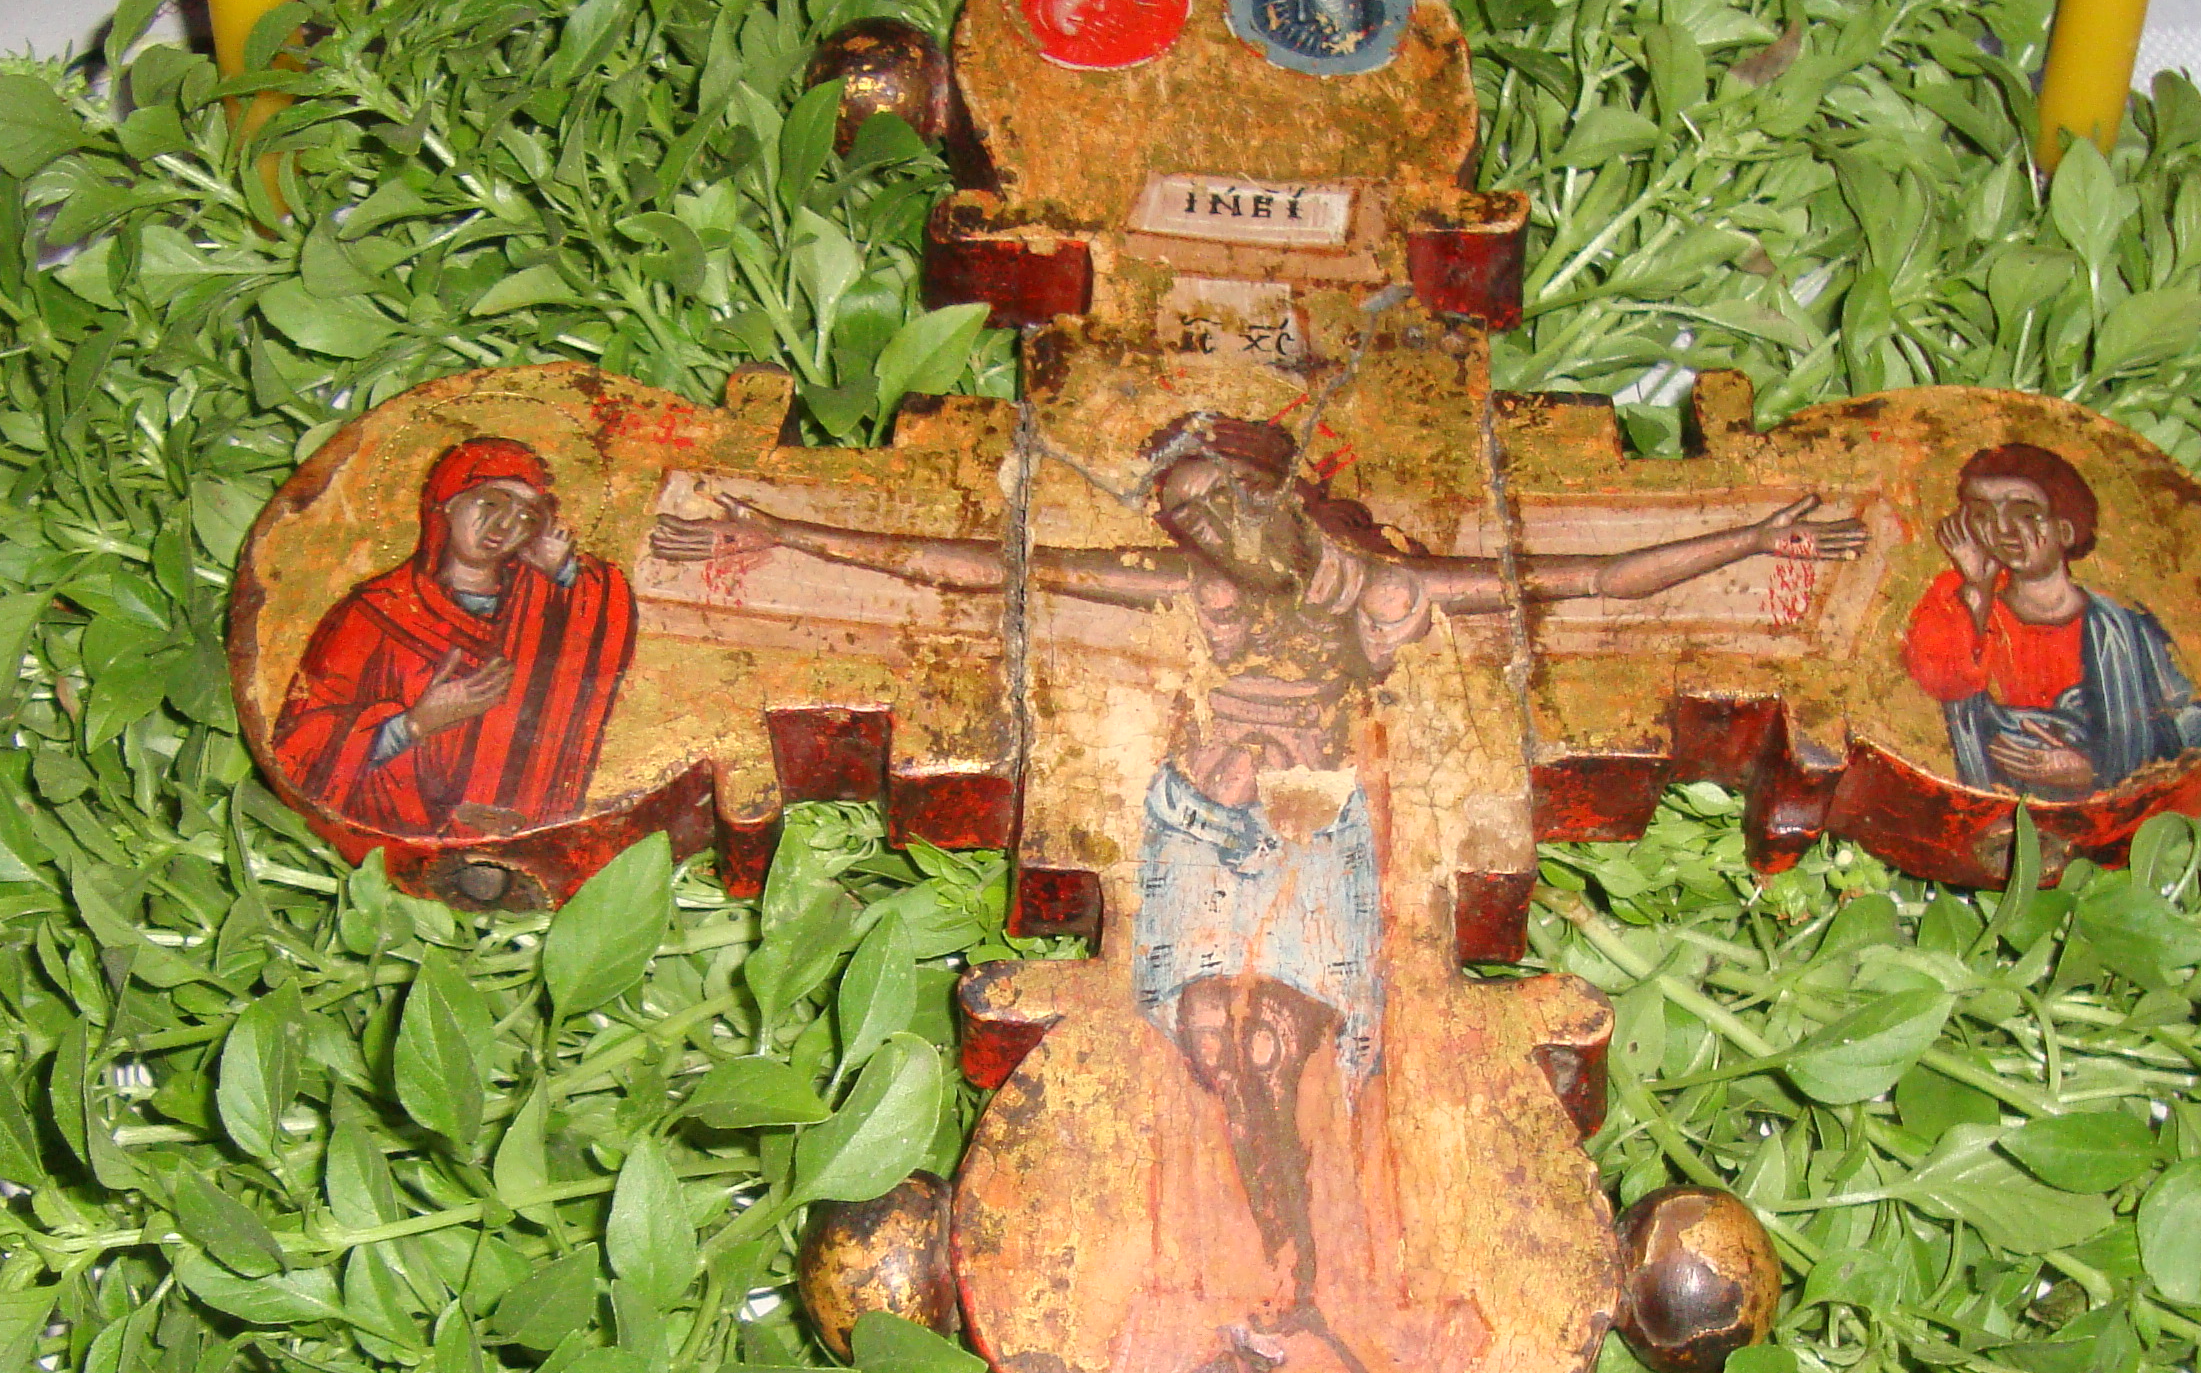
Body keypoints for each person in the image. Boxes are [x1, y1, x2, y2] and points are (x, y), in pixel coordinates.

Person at [653, 416, 1862, 1312]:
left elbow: (1587, 579)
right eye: (1183, 517)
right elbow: (977, 571)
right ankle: (1202, 1277)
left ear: (1276, 492)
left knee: (1308, 1050)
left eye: (1220, 501)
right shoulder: (1187, 587)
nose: (1205, 530)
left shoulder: (1378, 587)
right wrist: (778, 532)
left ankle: (1316, 1271)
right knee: (1199, 1050)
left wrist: (1758, 536)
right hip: (1189, 826)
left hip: (1315, 831)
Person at [272, 436, 637, 832]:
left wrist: (563, 573)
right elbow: (298, 747)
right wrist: (412, 725)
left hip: (517, 823)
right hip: (403, 821)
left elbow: (603, 625)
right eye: (492, 504)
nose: (505, 526)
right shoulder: (376, 611)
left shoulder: (541, 606)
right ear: (448, 501)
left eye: (527, 517)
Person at [1897, 441, 2201, 797]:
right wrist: (1977, 590)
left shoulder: (2125, 628)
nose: (2001, 530)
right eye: (1982, 515)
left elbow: (2184, 732)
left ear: (2065, 529)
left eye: (2025, 514)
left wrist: (2094, 771)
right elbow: (1940, 689)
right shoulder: (1960, 606)